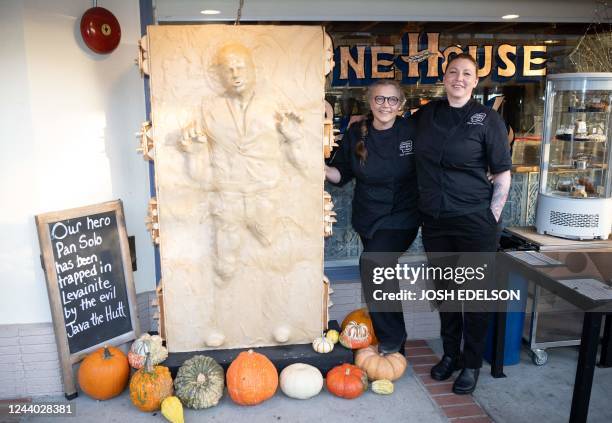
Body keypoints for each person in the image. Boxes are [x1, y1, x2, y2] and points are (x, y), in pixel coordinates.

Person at [413, 53, 512, 394]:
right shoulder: (427, 114)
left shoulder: (487, 119)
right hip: (436, 222)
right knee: (446, 294)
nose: (459, 78)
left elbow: (502, 174)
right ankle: (451, 355)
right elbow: (394, 131)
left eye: (466, 73)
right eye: (453, 71)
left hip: (474, 222)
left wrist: (492, 215)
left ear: (475, 80)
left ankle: (471, 364)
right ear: (444, 76)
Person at [180, 41, 304, 287]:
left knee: (273, 252)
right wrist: (192, 153)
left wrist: (294, 139)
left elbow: (302, 163)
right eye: (229, 69)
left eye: (240, 67)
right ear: (219, 74)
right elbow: (197, 174)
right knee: (225, 268)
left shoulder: (276, 105)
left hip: (265, 194)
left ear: (253, 68)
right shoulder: (208, 108)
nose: (235, 74)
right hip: (228, 196)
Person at [326, 80, 420, 355]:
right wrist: (317, 165)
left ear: (401, 104)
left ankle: (391, 338)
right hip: (368, 218)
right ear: (370, 102)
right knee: (383, 274)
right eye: (379, 99)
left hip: (402, 217)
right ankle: (396, 343)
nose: (385, 105)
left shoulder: (412, 132)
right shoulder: (357, 132)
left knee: (374, 264)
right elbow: (341, 173)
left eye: (392, 100)